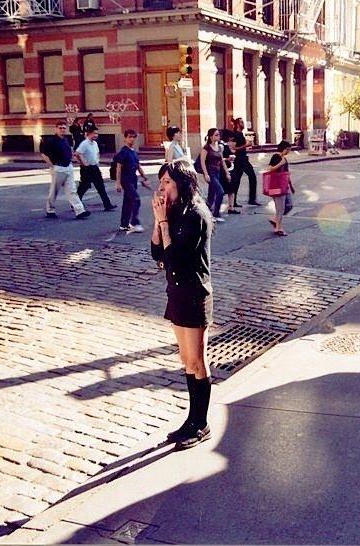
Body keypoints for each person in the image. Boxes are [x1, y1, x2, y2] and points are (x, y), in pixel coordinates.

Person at [150, 159, 214, 450]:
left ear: (182, 184)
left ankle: (201, 424)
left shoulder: (196, 215)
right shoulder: (174, 212)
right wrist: (157, 220)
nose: (161, 188)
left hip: (194, 294)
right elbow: (156, 253)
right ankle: (191, 419)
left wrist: (164, 222)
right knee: (185, 361)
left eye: (167, 183)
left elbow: (173, 258)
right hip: (175, 293)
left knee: (197, 361)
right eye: (161, 182)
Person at [40, 120, 89, 220]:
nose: (62, 130)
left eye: (64, 128)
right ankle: (50, 210)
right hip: (58, 168)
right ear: (56, 129)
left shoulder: (66, 139)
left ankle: (80, 211)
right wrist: (51, 166)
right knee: (54, 190)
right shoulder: (51, 141)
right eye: (60, 128)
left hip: (68, 167)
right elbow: (43, 154)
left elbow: (70, 150)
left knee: (72, 190)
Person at [114, 129, 151, 233]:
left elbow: (138, 166)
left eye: (133, 137)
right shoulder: (123, 152)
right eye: (129, 137)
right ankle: (134, 222)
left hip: (133, 179)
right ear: (125, 138)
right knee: (136, 199)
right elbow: (119, 168)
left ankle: (124, 225)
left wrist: (145, 177)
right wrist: (118, 183)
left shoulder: (133, 152)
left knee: (128, 202)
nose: (132, 139)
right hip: (126, 180)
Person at [75, 128, 116, 211]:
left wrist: (97, 160)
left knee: (100, 186)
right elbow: (77, 153)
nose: (96, 135)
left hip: (94, 167)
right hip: (87, 168)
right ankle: (75, 204)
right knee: (84, 186)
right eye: (94, 133)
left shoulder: (95, 143)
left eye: (97, 133)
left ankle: (107, 205)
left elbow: (97, 153)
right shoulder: (84, 143)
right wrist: (84, 164)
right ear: (89, 134)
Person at [266, 140, 296, 236]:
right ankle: (278, 228)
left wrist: (291, 185)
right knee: (280, 208)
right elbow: (270, 168)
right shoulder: (276, 156)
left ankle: (275, 219)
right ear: (284, 149)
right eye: (288, 150)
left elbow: (287, 173)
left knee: (289, 205)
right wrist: (280, 163)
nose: (288, 152)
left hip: (284, 186)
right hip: (277, 185)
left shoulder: (284, 158)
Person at [230, 118, 261, 206]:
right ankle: (237, 201)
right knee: (241, 179)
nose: (243, 124)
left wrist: (245, 145)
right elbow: (233, 149)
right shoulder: (235, 135)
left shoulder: (240, 134)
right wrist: (246, 145)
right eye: (241, 122)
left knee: (239, 179)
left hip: (243, 159)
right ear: (237, 124)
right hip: (239, 160)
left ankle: (248, 199)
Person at [200, 128, 227, 223]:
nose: (218, 136)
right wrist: (206, 174)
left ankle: (205, 213)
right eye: (216, 135)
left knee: (211, 194)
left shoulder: (220, 147)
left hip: (218, 172)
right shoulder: (206, 147)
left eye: (219, 135)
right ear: (211, 137)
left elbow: (222, 160)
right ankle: (216, 213)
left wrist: (227, 172)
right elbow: (202, 161)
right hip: (210, 172)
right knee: (220, 191)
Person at [223, 135, 240, 214]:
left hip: (233, 170)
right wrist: (227, 159)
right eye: (232, 141)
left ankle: (231, 207)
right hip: (225, 170)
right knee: (224, 189)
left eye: (234, 142)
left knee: (232, 189)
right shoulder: (224, 148)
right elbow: (220, 159)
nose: (234, 143)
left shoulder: (235, 150)